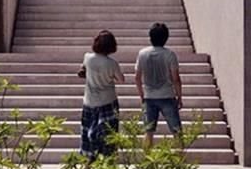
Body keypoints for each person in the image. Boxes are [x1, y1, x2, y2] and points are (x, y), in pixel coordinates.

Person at [135, 22, 183, 149]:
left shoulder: (142, 54)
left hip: (149, 96)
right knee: (176, 131)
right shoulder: (170, 54)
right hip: (167, 95)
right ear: (166, 38)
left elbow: (137, 77)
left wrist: (141, 95)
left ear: (150, 37)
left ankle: (148, 162)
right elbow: (176, 78)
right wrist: (179, 96)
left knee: (148, 131)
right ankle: (180, 162)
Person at [77, 30, 125, 159]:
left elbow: (82, 70)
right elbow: (121, 80)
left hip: (89, 101)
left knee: (89, 133)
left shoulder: (88, 57)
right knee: (108, 134)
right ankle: (108, 164)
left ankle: (89, 162)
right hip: (108, 102)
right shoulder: (112, 63)